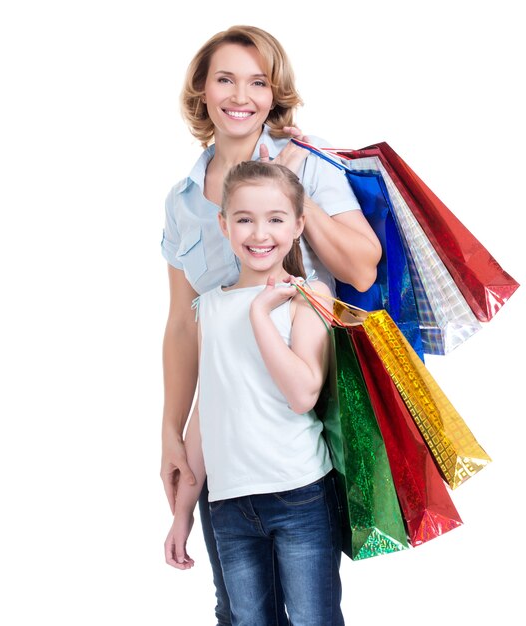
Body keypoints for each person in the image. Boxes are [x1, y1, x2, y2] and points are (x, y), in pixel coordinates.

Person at [160, 25, 381, 625]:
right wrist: (172, 433)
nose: (241, 95)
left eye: (259, 82)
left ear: (275, 93)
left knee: (310, 609)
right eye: (225, 78)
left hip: (300, 432)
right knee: (237, 611)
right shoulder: (183, 201)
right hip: (228, 441)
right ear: (202, 91)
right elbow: (185, 328)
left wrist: (287, 187)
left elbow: (361, 270)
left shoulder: (307, 162)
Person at [165, 160, 344, 625]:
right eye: (244, 218)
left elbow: (303, 394)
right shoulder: (208, 307)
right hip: (230, 505)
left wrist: (261, 316)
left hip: (300, 494)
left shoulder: (310, 296)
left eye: (276, 219)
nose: (259, 233)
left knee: (313, 619)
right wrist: (183, 512)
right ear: (224, 225)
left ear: (298, 224)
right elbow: (207, 414)